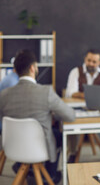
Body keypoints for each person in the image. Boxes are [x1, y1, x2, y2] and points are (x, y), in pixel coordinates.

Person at [0, 49, 75, 183]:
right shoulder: (46, 92)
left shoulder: (3, 95)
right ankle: (50, 175)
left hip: (12, 147)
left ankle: (23, 166)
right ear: (33, 68)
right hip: (39, 149)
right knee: (57, 134)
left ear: (15, 71)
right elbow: (70, 116)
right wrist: (53, 115)